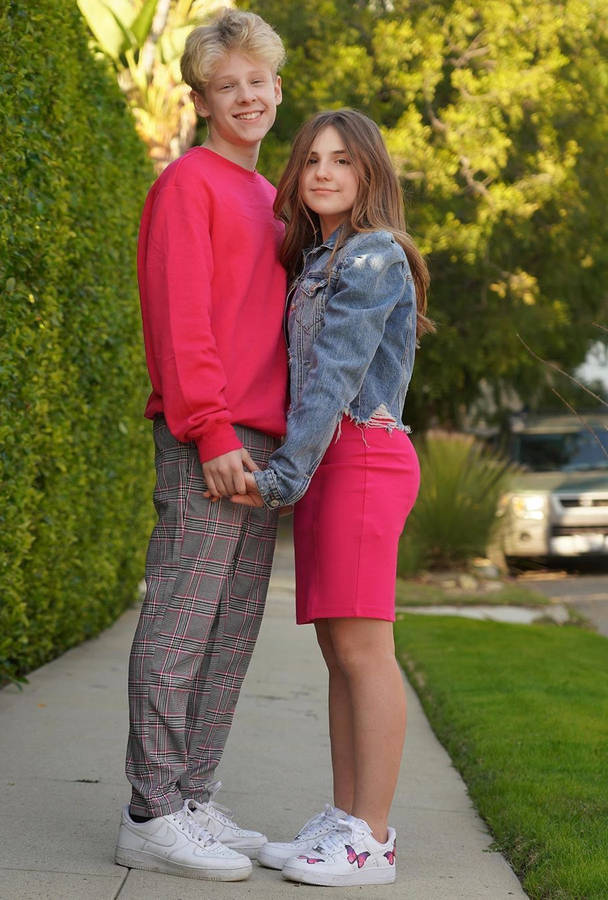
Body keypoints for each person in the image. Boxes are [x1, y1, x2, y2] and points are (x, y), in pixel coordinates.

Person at [226, 108, 433, 887]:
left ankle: (371, 839)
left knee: (364, 653)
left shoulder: (374, 257)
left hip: (359, 458)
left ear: (369, 173)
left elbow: (336, 375)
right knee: (338, 654)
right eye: (311, 159)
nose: (322, 173)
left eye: (341, 161)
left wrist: (282, 474)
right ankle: (346, 822)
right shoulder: (322, 258)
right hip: (330, 462)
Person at [113, 9, 288, 883]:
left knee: (230, 629)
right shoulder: (189, 185)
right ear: (203, 99)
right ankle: (149, 810)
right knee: (183, 620)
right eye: (229, 87)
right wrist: (213, 430)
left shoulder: (271, 197)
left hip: (267, 442)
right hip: (208, 437)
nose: (247, 97)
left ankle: (192, 796)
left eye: (258, 82)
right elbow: (179, 318)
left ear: (278, 87)